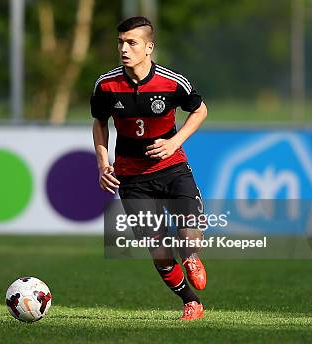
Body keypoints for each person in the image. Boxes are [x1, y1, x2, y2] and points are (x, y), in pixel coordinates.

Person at [90, 16, 208, 321]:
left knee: (188, 235)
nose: (124, 49)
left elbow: (200, 109)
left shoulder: (171, 82)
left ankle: (192, 257)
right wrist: (103, 162)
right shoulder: (106, 85)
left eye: (132, 42)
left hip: (172, 168)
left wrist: (174, 142)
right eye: (121, 43)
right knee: (157, 249)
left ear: (149, 47)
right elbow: (99, 122)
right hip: (132, 178)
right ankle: (190, 303)